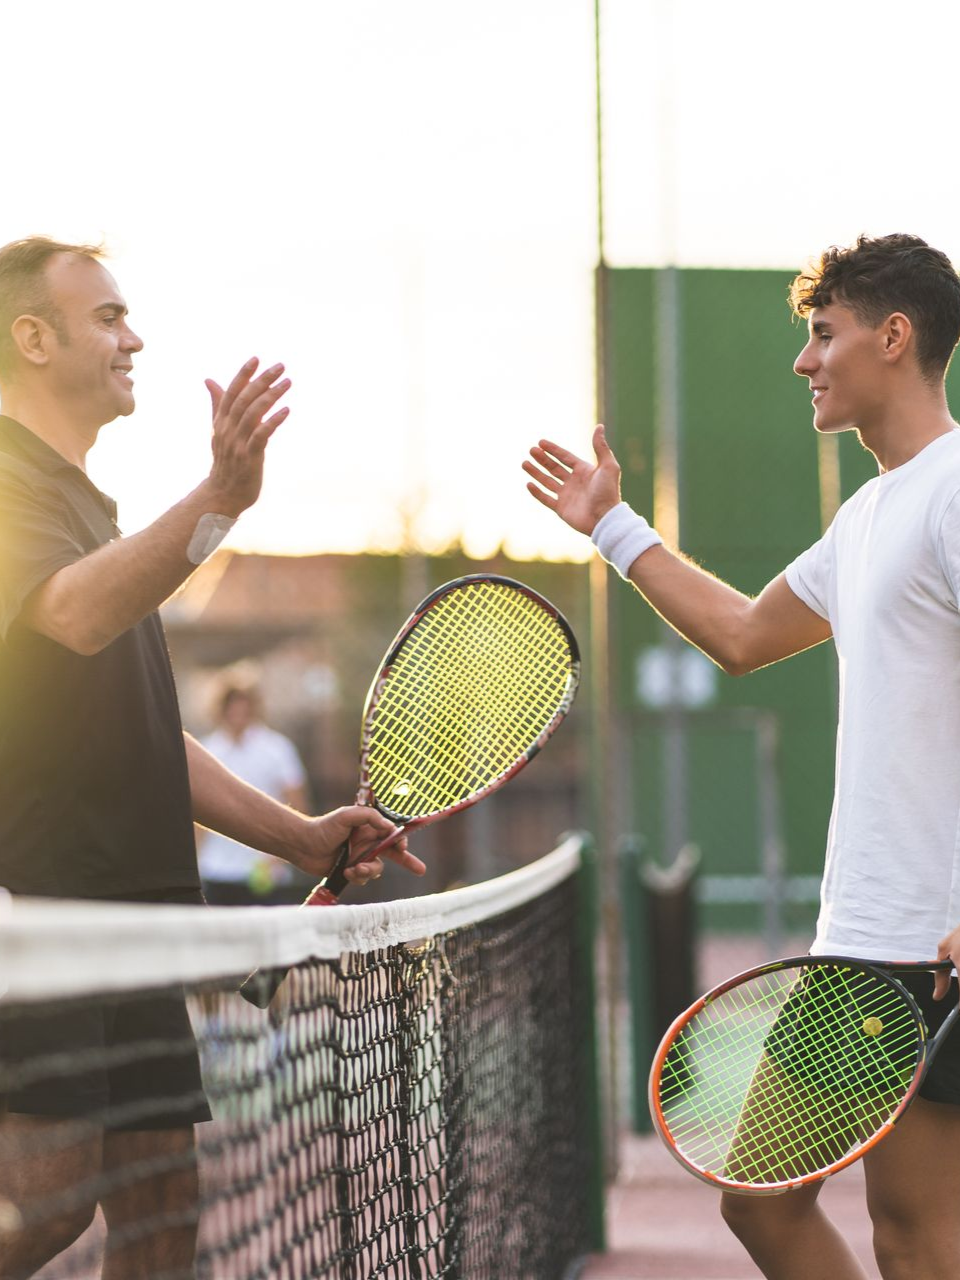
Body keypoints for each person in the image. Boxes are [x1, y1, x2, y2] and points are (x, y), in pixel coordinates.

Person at [523, 232, 960, 1280]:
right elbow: (742, 631)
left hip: (933, 947)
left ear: (893, 337)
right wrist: (612, 525)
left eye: (824, 334)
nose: (805, 361)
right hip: (854, 939)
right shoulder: (865, 516)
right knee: (758, 1200)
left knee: (916, 1234)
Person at [0, 236, 426, 1278]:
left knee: (161, 1213)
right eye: (107, 317)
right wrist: (221, 498)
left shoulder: (84, 502)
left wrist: (305, 834)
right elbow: (74, 615)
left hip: (137, 918)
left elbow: (147, 733)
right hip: (44, 913)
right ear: (31, 337)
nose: (132, 335)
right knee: (43, 1212)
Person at [198, 677, 312, 905]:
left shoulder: (278, 749)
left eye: (243, 707)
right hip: (216, 873)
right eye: (231, 707)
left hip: (268, 877)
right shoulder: (206, 749)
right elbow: (197, 816)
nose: (237, 714)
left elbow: (299, 808)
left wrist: (277, 860)